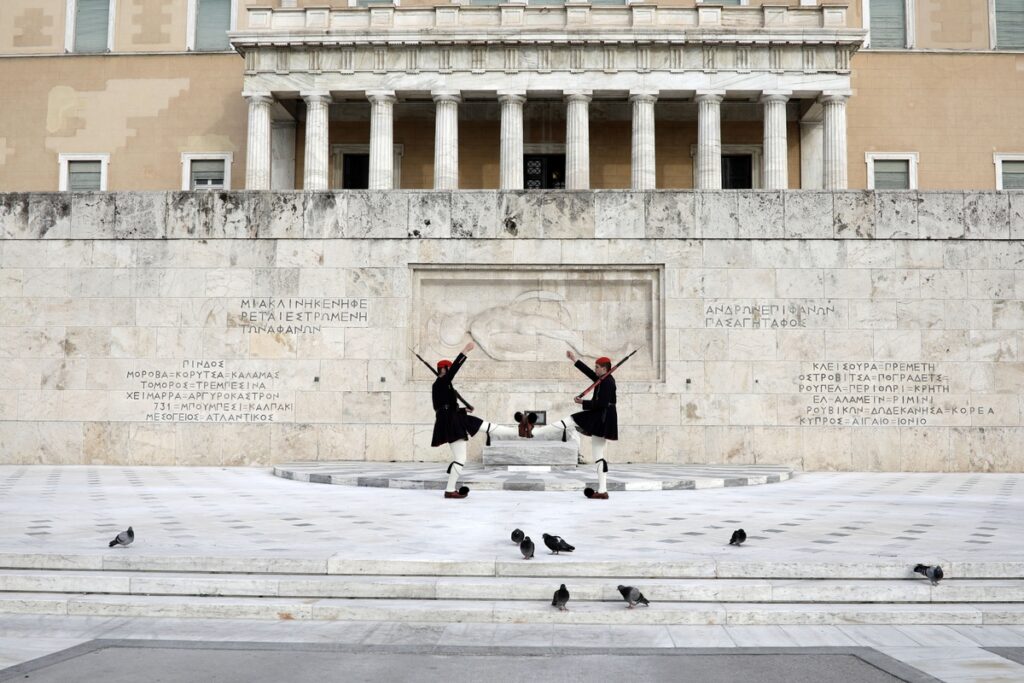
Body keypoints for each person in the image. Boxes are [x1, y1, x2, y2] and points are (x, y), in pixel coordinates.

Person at [431, 342, 515, 499]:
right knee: (460, 458)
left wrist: (463, 410)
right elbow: (443, 408)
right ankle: (450, 490)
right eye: (448, 369)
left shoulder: (441, 385)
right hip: (452, 423)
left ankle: (518, 432)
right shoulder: (441, 382)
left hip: (456, 418)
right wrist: (465, 351)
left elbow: (443, 407)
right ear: (445, 369)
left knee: (485, 426)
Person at [544, 350, 618, 499]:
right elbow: (589, 373)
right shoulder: (603, 378)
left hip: (602, 418)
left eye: (597, 367)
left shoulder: (608, 382)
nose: (595, 369)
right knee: (598, 455)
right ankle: (602, 491)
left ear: (604, 368)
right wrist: (574, 360)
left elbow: (602, 403)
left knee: (573, 419)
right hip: (601, 417)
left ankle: (538, 432)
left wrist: (583, 402)